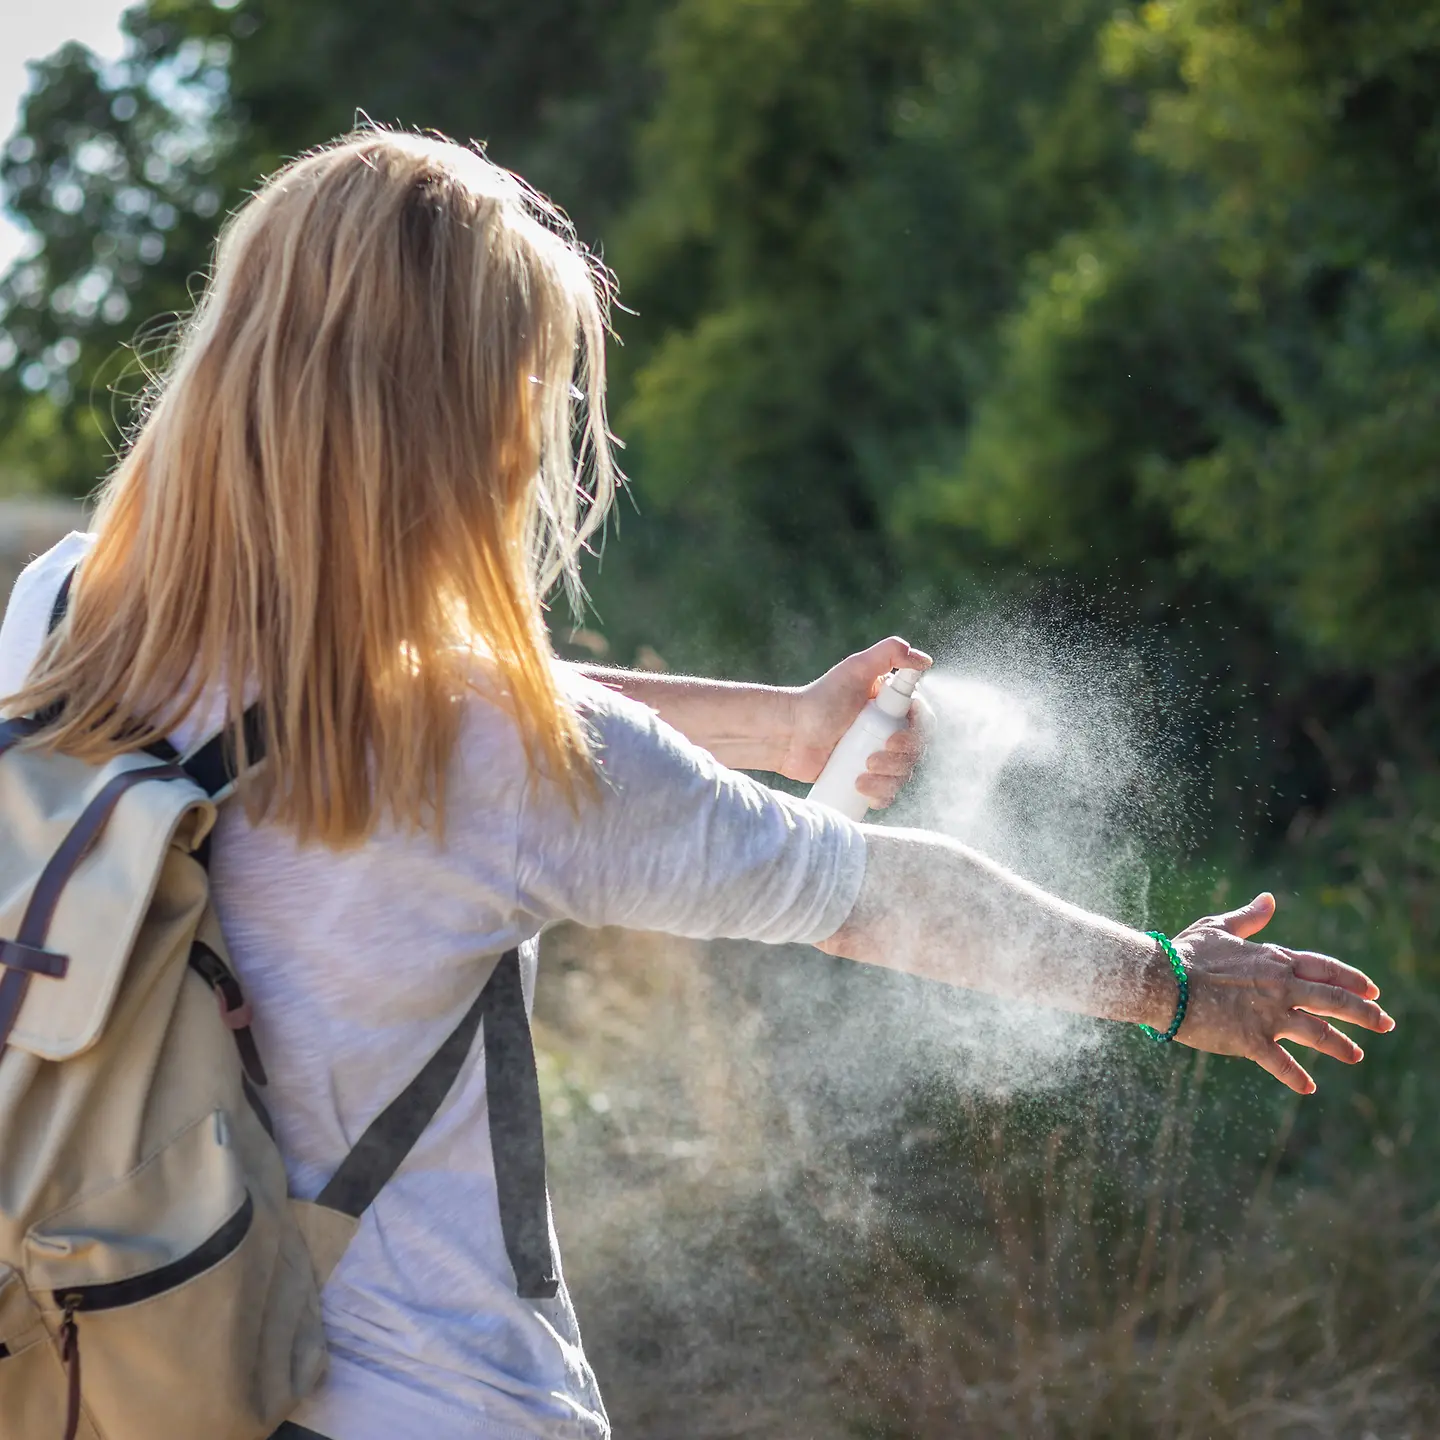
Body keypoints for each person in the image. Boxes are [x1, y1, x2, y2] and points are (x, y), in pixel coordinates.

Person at [0, 129, 1393, 1440]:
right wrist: (1177, 984)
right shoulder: (498, 751)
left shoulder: (68, 613)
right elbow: (872, 894)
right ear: (473, 416)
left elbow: (401, 685)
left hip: (131, 1369)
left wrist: (784, 726)